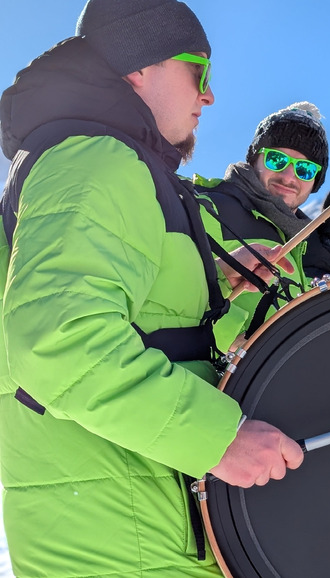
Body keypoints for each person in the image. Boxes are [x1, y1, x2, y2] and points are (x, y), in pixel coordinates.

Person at [0, 1, 303, 576]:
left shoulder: (95, 158)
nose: (208, 96)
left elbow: (114, 306)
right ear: (141, 67)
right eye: (201, 73)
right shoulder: (98, 159)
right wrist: (222, 441)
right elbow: (57, 342)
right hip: (126, 541)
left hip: (126, 523)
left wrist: (214, 277)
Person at [193, 102, 330, 350]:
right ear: (256, 159)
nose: (289, 176)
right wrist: (233, 339)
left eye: (305, 169)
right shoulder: (202, 206)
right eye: (277, 160)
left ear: (315, 181)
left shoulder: (306, 243)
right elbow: (162, 285)